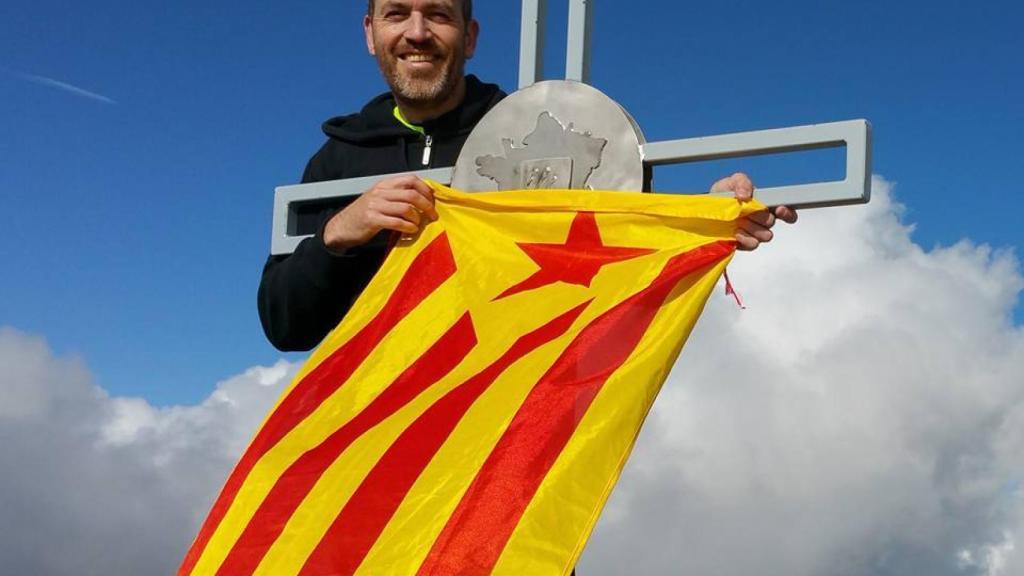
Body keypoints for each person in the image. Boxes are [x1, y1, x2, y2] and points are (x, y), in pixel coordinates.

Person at [258, 0, 796, 352]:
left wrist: (709, 216)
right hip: (381, 439)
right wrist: (336, 237)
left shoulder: (541, 130)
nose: (417, 33)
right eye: (397, 14)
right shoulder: (335, 162)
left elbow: (621, 240)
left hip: (504, 427)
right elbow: (285, 325)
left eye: (438, 15)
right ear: (370, 33)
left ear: (469, 36)